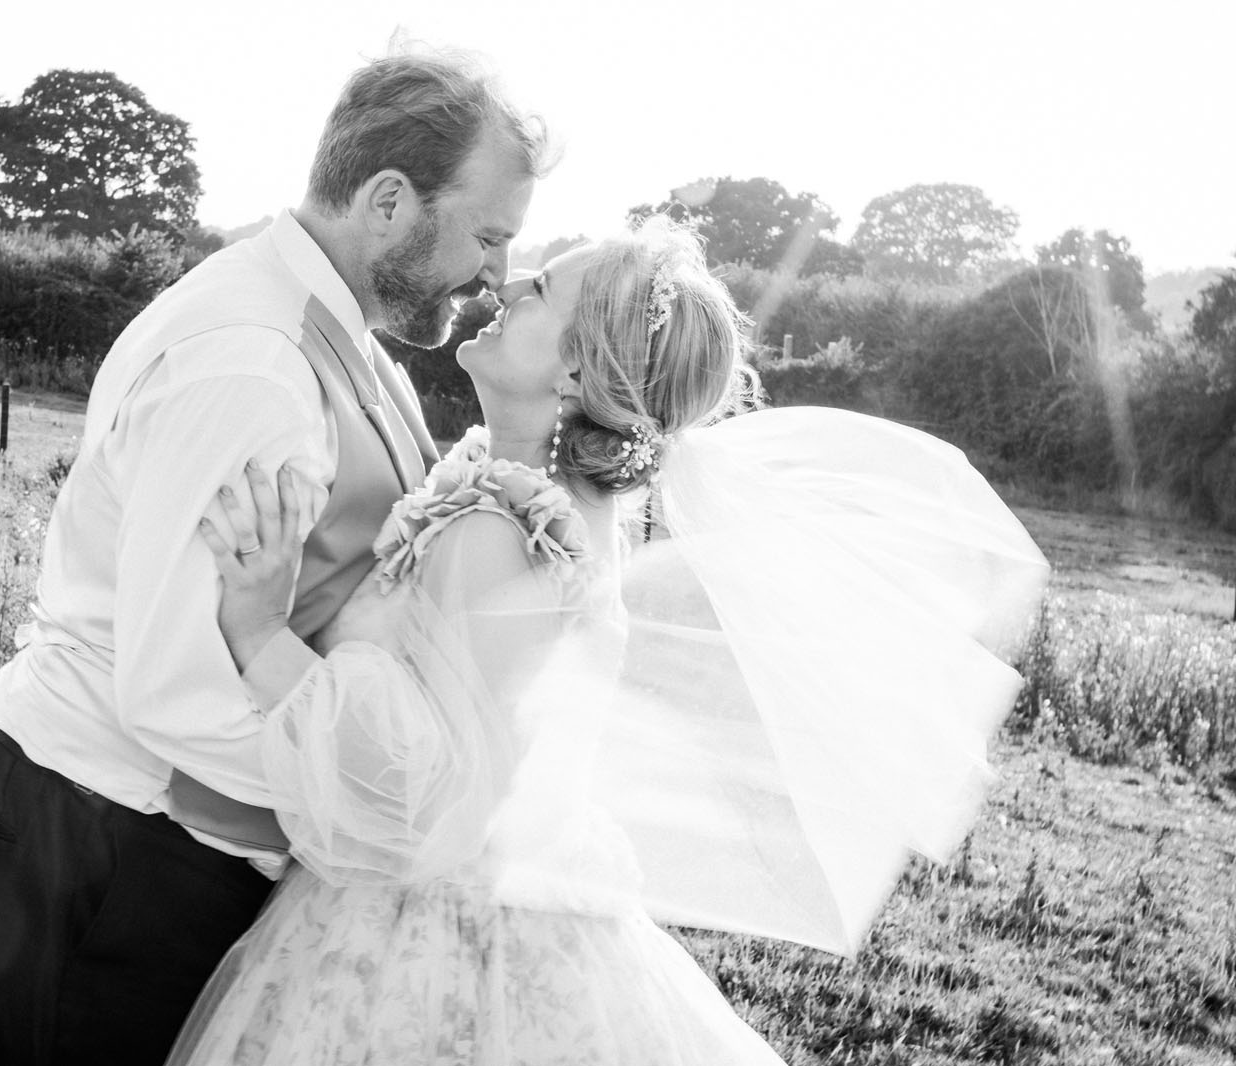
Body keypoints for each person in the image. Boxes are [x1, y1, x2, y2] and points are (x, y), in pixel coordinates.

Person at [173, 218, 1051, 1064]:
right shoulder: (566, 511)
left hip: (423, 943)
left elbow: (420, 794)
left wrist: (257, 633)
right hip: (541, 912)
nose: (508, 284)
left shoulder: (503, 529)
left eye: (541, 290)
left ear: (577, 367)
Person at [0, 50, 552, 1065]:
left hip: (164, 839)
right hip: (112, 840)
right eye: (488, 235)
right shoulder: (254, 366)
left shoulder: (342, 334)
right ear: (389, 200)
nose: (495, 274)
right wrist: (386, 817)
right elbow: (175, 687)